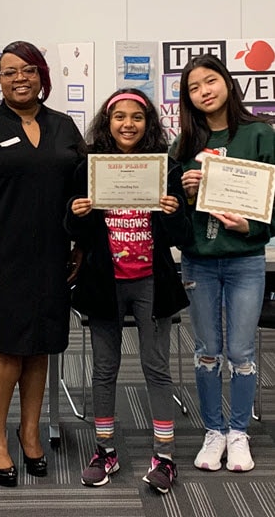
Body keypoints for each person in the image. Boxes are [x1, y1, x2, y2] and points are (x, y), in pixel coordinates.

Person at [0, 40, 84, 487]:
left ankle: (29, 432)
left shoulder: (64, 127)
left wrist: (80, 244)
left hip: (51, 257)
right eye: (8, 72)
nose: (18, 77)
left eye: (27, 70)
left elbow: (82, 192)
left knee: (39, 344)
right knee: (5, 346)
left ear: (42, 75)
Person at [65, 88, 191, 494]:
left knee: (156, 368)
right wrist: (76, 213)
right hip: (105, 282)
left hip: (152, 281)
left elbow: (182, 235)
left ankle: (164, 456)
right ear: (107, 122)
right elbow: (72, 230)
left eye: (136, 117)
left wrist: (174, 212)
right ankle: (104, 451)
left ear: (149, 123)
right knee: (104, 369)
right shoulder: (89, 167)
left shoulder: (164, 168)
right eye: (119, 117)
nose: (128, 124)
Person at [171, 53, 275, 473]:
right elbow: (173, 214)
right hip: (199, 261)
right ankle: (213, 432)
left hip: (246, 260)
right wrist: (187, 191)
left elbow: (271, 203)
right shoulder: (183, 145)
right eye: (194, 88)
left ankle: (238, 432)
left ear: (228, 83)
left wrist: (249, 226)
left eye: (210, 81)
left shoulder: (259, 134)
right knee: (207, 351)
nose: (203, 92)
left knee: (242, 350)